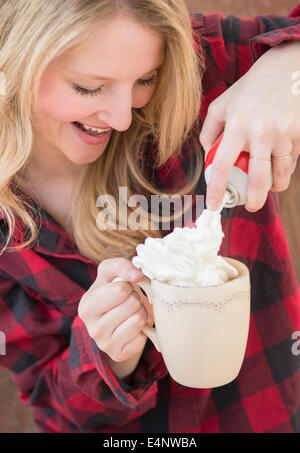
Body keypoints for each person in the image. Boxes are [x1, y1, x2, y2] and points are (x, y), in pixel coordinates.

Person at [0, 0, 299, 434]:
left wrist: (287, 70)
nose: (123, 117)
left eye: (146, 79)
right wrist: (112, 357)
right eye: (88, 87)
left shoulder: (197, 63)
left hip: (264, 411)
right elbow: (54, 407)